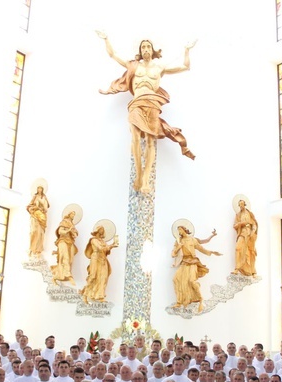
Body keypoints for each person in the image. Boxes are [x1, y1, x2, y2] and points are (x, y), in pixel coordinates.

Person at [96, 32, 196, 193]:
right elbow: (113, 55)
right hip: (137, 102)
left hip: (152, 103)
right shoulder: (134, 66)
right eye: (143, 47)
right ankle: (138, 174)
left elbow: (185, 66)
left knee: (150, 140)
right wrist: (106, 39)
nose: (146, 49)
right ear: (140, 50)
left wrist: (186, 50)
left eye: (148, 46)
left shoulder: (159, 68)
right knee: (135, 138)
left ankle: (146, 180)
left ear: (153, 49)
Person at [171, 225, 221, 312]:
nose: (179, 232)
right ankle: (179, 302)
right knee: (176, 279)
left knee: (191, 281)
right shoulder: (178, 241)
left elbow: (200, 248)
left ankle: (200, 299)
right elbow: (173, 254)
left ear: (184, 229)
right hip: (184, 262)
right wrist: (178, 247)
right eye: (178, 230)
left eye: (180, 229)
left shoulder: (192, 240)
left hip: (193, 262)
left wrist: (211, 252)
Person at [80, 225, 118, 303]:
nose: (102, 231)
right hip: (95, 258)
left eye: (102, 230)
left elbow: (106, 250)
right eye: (100, 229)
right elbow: (100, 248)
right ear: (97, 230)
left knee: (103, 278)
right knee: (93, 277)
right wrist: (110, 246)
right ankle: (85, 295)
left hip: (103, 259)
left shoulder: (102, 241)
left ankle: (99, 296)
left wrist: (112, 245)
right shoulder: (93, 240)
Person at [51, 211, 78, 286]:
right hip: (63, 241)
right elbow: (60, 231)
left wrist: (73, 233)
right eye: (73, 214)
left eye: (74, 215)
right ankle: (69, 275)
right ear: (69, 214)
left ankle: (56, 277)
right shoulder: (64, 222)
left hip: (70, 242)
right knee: (65, 257)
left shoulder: (72, 225)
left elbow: (75, 235)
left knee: (70, 260)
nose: (73, 216)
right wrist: (68, 230)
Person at [232, 198, 258, 276]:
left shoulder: (250, 214)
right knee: (237, 248)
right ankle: (237, 268)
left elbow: (254, 224)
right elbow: (235, 225)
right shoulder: (238, 215)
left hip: (250, 234)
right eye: (240, 204)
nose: (241, 206)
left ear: (245, 204)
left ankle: (253, 271)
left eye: (242, 204)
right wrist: (240, 224)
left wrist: (253, 231)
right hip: (242, 233)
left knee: (252, 251)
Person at [27, 184, 49, 259]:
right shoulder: (35, 197)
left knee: (40, 233)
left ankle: (38, 250)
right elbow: (29, 206)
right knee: (33, 231)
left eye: (41, 188)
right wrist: (34, 208)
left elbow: (46, 208)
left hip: (42, 216)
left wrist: (42, 207)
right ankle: (32, 248)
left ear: (43, 190)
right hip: (35, 215)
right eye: (38, 188)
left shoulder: (44, 198)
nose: (39, 190)